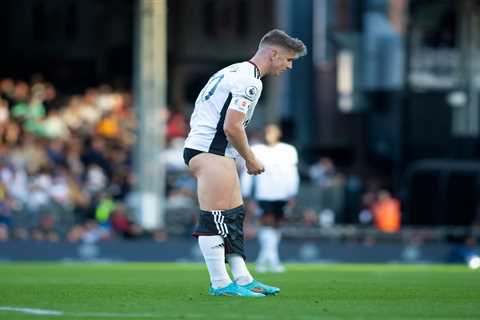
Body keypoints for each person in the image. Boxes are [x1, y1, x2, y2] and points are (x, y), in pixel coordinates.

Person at [183, 29, 307, 297]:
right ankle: (220, 283)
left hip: (214, 150)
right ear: (273, 53)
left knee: (233, 217)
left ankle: (242, 278)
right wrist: (251, 159)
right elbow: (232, 126)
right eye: (288, 59)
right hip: (209, 150)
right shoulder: (250, 81)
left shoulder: (234, 70)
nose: (289, 65)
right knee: (215, 219)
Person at [241, 124, 299, 273]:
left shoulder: (288, 150)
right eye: (267, 132)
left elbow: (292, 172)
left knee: (277, 225)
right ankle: (272, 259)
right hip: (263, 193)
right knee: (266, 222)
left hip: (282, 193)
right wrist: (246, 192)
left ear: (278, 134)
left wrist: (292, 192)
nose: (269, 135)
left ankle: (266, 258)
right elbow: (248, 171)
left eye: (272, 132)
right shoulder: (256, 149)